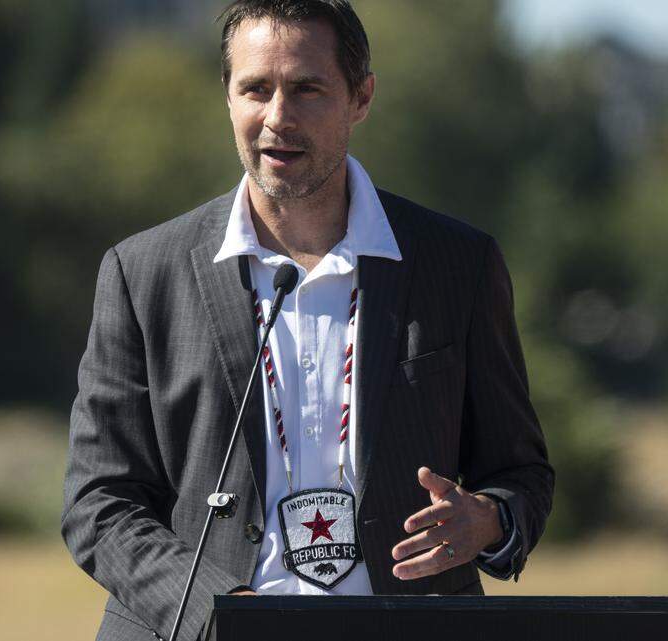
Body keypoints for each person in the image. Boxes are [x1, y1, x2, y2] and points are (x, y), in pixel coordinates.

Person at [60, 2, 554, 640]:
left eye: (307, 89)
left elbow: (521, 474)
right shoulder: (142, 272)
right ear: (227, 96)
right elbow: (99, 502)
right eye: (255, 89)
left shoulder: (458, 264)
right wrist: (224, 613)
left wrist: (488, 519)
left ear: (361, 98)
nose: (277, 117)